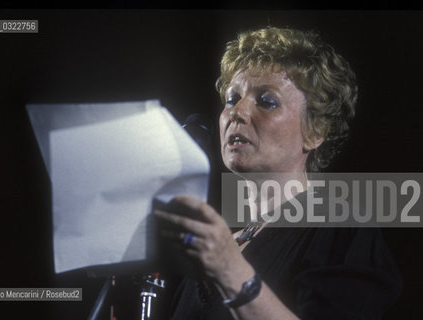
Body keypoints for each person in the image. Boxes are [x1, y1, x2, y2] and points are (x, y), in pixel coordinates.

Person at [154, 27, 402, 320]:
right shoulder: (215, 247)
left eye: (266, 101)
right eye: (232, 98)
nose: (237, 111)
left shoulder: (343, 231)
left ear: (315, 131)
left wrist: (229, 270)